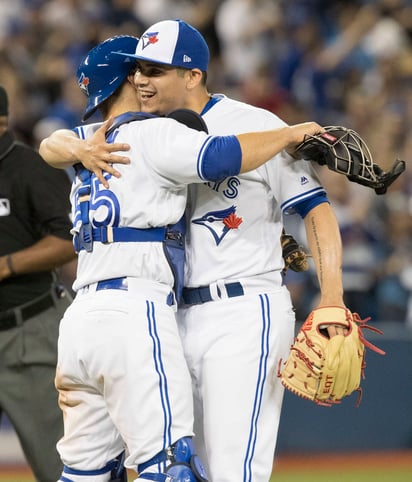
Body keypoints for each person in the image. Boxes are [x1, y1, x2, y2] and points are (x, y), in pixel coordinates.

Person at [39, 35, 325, 482]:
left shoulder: (87, 142)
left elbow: (48, 144)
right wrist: (291, 132)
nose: (145, 78)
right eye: (139, 71)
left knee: (84, 473)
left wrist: (73, 148)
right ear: (127, 80)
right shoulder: (153, 133)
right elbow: (221, 155)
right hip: (134, 312)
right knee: (170, 467)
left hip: (79, 323)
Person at [115, 19, 347, 482]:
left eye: (155, 70)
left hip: (241, 311)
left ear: (193, 75)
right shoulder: (141, 135)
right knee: (178, 471)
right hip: (167, 318)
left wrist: (333, 297)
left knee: (232, 472)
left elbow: (314, 210)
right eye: (138, 69)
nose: (141, 80)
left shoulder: (256, 125)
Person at [0, 85, 76, 482]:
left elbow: (70, 241)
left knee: (58, 465)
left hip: (29, 330)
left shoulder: (30, 168)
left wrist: (7, 265)